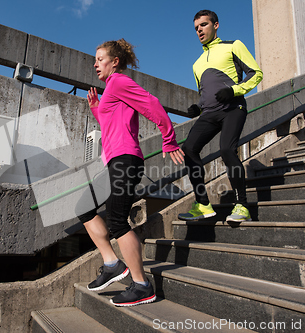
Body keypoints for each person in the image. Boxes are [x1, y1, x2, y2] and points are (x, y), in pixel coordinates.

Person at [78, 38, 184, 306]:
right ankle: (112, 263)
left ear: (115, 62)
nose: (95, 63)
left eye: (100, 59)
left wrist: (168, 138)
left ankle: (141, 284)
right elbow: (113, 123)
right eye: (95, 59)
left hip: (126, 160)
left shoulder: (120, 82)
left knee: (117, 220)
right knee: (83, 207)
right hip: (114, 162)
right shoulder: (111, 89)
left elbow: (152, 104)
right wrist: (95, 108)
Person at [178, 10, 263, 223]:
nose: (199, 30)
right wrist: (198, 107)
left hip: (233, 108)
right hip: (209, 113)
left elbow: (256, 73)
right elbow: (205, 93)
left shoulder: (233, 46)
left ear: (216, 25)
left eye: (204, 25)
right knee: (188, 149)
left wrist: (234, 91)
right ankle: (203, 204)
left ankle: (242, 205)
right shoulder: (196, 64)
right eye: (196, 27)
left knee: (226, 149)